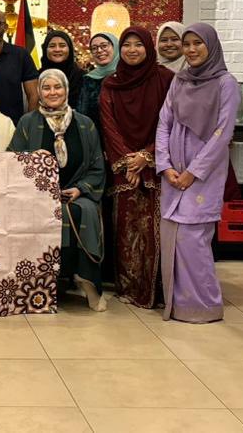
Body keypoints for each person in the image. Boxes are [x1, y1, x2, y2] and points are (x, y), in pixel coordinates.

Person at [157, 23, 240, 323]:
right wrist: (164, 165)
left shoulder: (226, 83)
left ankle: (205, 307)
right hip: (173, 174)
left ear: (211, 46)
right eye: (187, 44)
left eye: (198, 44)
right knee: (173, 239)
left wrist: (193, 172)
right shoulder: (180, 80)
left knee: (194, 240)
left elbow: (222, 133)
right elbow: (164, 122)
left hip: (203, 175)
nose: (191, 50)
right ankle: (178, 306)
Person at [9, 69, 107, 311]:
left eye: (57, 87)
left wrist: (80, 189)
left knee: (82, 211)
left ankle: (86, 282)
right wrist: (34, 168)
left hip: (75, 194)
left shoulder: (85, 124)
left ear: (66, 90)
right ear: (39, 92)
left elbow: (97, 166)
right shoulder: (27, 122)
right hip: (35, 196)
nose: (52, 92)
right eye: (46, 88)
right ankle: (39, 283)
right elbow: (11, 161)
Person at [99, 26, 174, 309]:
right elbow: (108, 124)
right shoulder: (111, 83)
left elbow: (170, 123)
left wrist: (147, 156)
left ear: (148, 47)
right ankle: (130, 288)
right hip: (124, 170)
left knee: (156, 231)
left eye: (138, 44)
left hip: (157, 165)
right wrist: (129, 161)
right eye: (127, 45)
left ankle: (158, 290)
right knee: (127, 229)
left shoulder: (166, 79)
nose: (132, 50)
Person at [76, 32, 119, 131]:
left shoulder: (126, 76)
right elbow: (82, 113)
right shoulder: (88, 79)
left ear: (115, 47)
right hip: (94, 135)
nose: (99, 51)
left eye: (104, 46)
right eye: (94, 48)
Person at [40, 30, 85, 109]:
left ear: (70, 49)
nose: (57, 49)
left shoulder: (82, 77)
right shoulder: (37, 77)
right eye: (52, 46)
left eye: (62, 45)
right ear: (45, 49)